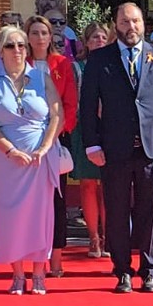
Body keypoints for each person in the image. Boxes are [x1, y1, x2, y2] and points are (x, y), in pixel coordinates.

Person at [79, 2, 153, 294]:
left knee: (152, 213)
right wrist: (92, 144)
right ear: (116, 25)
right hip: (114, 148)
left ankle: (150, 270)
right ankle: (122, 270)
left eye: (136, 21)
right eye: (125, 22)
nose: (131, 27)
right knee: (116, 211)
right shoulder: (100, 59)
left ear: (143, 24)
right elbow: (88, 106)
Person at [0, 25, 63, 294]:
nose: (17, 50)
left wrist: (44, 147)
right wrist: (10, 150)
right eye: (11, 45)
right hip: (5, 159)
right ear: (1, 50)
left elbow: (57, 115)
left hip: (38, 160)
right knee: (11, 219)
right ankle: (18, 275)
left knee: (41, 218)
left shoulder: (41, 76)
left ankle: (39, 274)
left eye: (22, 45)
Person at [26, 14, 77, 278]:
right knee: (30, 202)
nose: (40, 38)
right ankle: (34, 259)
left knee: (57, 200)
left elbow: (70, 104)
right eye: (35, 33)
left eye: (44, 33)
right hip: (25, 141)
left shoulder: (62, 64)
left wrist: (54, 135)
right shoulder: (19, 64)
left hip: (56, 139)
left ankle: (56, 257)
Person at [70, 21, 111, 258]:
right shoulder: (77, 67)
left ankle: (108, 236)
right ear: (86, 42)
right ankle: (93, 237)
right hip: (85, 129)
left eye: (103, 38)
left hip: (110, 130)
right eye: (95, 37)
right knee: (87, 184)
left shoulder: (114, 66)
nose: (99, 41)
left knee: (109, 185)